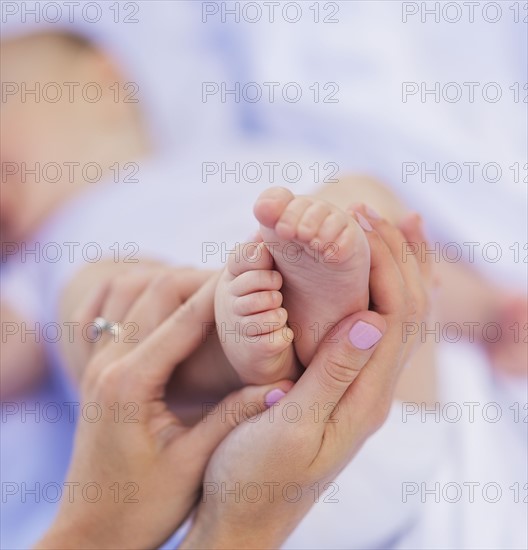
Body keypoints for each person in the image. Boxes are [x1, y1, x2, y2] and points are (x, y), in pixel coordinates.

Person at [35, 210, 431, 549]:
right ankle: (237, 353)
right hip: (371, 443)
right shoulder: (52, 243)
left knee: (101, 304)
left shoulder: (48, 249)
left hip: (253, 475)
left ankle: (243, 350)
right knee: (110, 288)